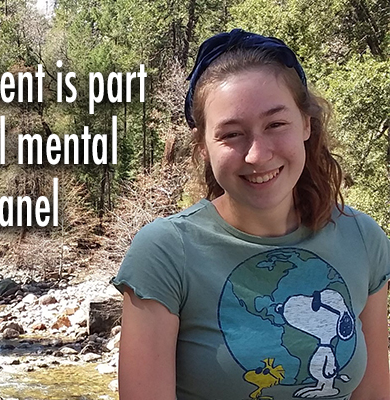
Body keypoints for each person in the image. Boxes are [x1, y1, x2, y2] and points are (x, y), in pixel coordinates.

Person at [112, 29, 390, 400]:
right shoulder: (165, 252)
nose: (257, 154)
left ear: (306, 124)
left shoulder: (363, 239)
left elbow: (373, 393)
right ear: (203, 149)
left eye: (275, 124)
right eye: (232, 134)